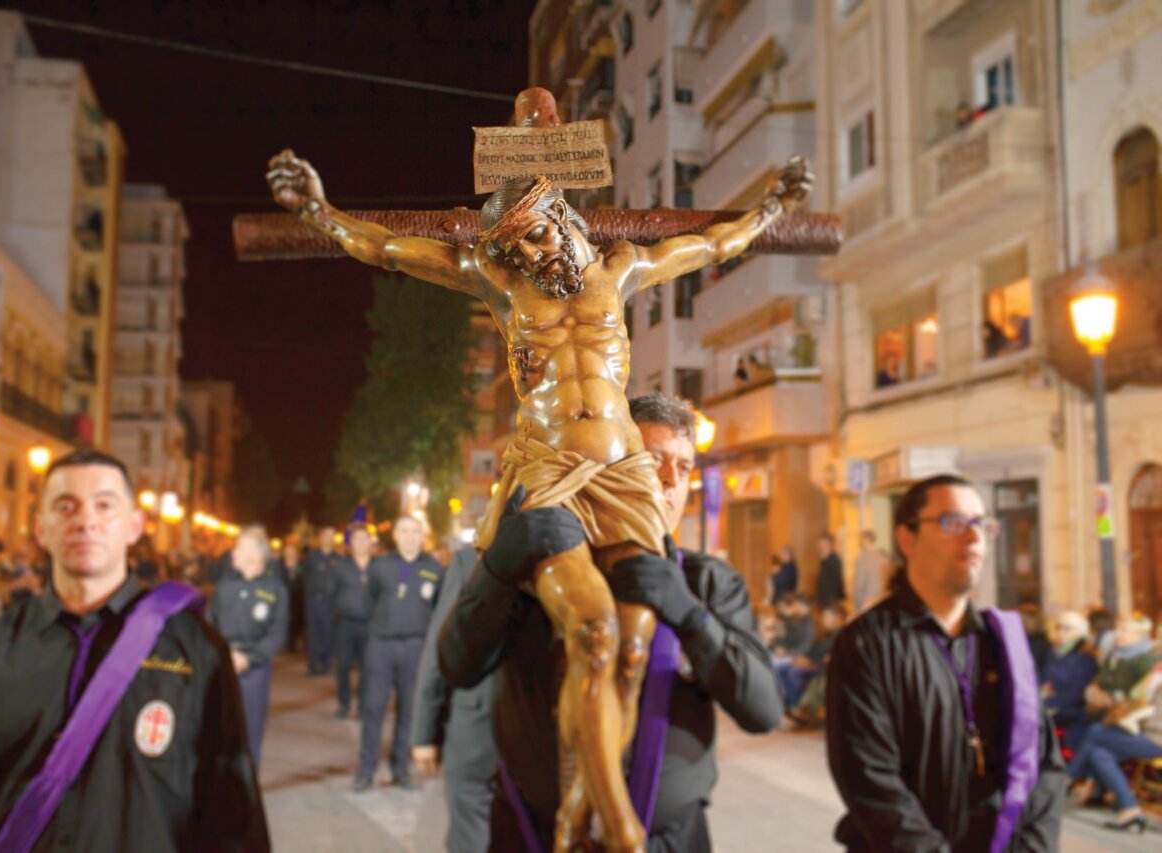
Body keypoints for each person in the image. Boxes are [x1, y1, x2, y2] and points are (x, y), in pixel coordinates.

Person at [269, 146, 810, 850]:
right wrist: (320, 212)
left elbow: (710, 242)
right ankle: (620, 830)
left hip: (620, 471)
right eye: (516, 244)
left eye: (534, 233)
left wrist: (771, 208)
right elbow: (394, 252)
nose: (528, 251)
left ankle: (583, 805)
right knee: (594, 632)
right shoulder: (498, 280)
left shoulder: (622, 267)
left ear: (559, 215)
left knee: (635, 650)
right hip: (549, 469)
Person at [438, 391, 782, 850]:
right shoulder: (531, 573)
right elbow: (458, 665)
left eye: (683, 468)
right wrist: (500, 570)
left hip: (668, 842)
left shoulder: (708, 584)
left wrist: (691, 617)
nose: (669, 481)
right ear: (605, 465)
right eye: (653, 460)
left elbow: (763, 710)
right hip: (530, 834)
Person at [0, 449, 269, 850]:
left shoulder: (195, 652)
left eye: (105, 506)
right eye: (66, 507)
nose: (86, 521)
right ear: (40, 529)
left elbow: (232, 812)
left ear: (135, 526)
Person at [826, 474, 1064, 851]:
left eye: (982, 525)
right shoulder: (867, 644)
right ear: (907, 538)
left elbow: (1043, 765)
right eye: (954, 523)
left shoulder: (1001, 643)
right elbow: (869, 781)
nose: (974, 538)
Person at [411, 544, 498, 852]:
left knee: (469, 827)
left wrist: (424, 732)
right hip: (542, 723)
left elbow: (441, 647)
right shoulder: (573, 551)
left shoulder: (474, 558)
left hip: (477, 719)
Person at [354, 515, 443, 791]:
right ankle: (366, 769)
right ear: (395, 535)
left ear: (422, 536)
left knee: (408, 711)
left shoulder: (434, 568)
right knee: (374, 708)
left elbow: (439, 608)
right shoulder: (380, 566)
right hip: (381, 645)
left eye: (415, 531)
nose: (410, 536)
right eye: (404, 531)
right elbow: (368, 600)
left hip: (416, 647)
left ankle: (401, 768)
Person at [1063, 613, 1161, 833]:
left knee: (1097, 732)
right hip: (1142, 728)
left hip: (1156, 735)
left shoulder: (1152, 664)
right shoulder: (1152, 664)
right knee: (1098, 752)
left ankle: (1069, 779)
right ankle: (1129, 810)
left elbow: (1145, 702)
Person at [210, 524, 289, 769]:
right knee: (217, 731)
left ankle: (246, 788)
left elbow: (277, 633)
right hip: (222, 665)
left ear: (255, 556)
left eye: (238, 548)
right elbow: (210, 622)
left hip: (254, 670)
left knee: (250, 733)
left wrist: (249, 659)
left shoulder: (275, 590)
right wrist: (223, 654)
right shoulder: (225, 586)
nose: (232, 553)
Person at [332, 522, 374, 719]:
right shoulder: (341, 566)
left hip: (370, 624)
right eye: (357, 539)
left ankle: (364, 705)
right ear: (351, 543)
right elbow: (331, 594)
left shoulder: (378, 566)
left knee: (368, 667)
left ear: (370, 542)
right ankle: (344, 704)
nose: (361, 543)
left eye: (364, 539)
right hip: (346, 624)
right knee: (343, 666)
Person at [1040, 610, 1099, 729]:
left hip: (1071, 710)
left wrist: (1044, 703)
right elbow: (1045, 678)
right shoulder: (1054, 651)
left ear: (1081, 632)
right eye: (1058, 627)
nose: (1061, 632)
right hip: (1049, 703)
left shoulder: (1085, 656)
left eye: (1067, 628)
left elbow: (1076, 692)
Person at [305, 526, 337, 675]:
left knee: (328, 634)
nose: (327, 539)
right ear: (320, 538)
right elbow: (305, 576)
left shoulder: (338, 558)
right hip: (313, 600)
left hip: (330, 602)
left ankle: (325, 664)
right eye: (325, 536)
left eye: (331, 536)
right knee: (313, 634)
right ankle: (312, 665)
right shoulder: (311, 556)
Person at [850, 530, 888, 614]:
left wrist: (857, 602)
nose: (859, 543)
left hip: (865, 602)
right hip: (880, 601)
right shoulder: (883, 558)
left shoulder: (862, 559)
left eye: (860, 540)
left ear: (865, 540)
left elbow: (859, 584)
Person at [815, 532, 845, 611]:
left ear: (827, 543)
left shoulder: (834, 559)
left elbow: (838, 579)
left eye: (821, 542)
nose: (819, 544)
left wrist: (840, 597)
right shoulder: (823, 558)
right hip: (823, 597)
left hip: (831, 598)